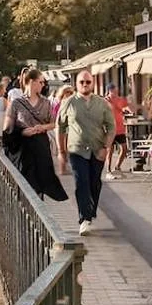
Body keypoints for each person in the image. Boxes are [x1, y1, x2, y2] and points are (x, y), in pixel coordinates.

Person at [57, 70, 115, 236]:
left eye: (88, 82)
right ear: (76, 84)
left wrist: (106, 147)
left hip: (98, 149)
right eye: (81, 82)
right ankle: (84, 218)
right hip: (77, 149)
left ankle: (90, 211)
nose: (84, 85)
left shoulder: (102, 103)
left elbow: (111, 127)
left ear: (93, 83)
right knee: (81, 182)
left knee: (94, 183)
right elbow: (60, 127)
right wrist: (61, 151)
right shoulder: (68, 103)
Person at [5, 68, 68, 203]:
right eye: (41, 82)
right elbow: (8, 128)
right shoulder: (16, 103)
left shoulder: (46, 102)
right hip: (24, 147)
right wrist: (23, 132)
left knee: (41, 180)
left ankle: (38, 206)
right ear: (31, 82)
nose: (43, 85)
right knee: (26, 180)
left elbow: (53, 123)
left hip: (41, 146)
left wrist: (42, 128)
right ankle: (24, 207)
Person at [104, 84, 132, 178]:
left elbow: (127, 107)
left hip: (120, 128)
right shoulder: (105, 101)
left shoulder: (120, 99)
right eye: (113, 91)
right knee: (110, 150)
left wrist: (129, 110)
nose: (115, 93)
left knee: (124, 148)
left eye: (116, 91)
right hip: (110, 129)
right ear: (109, 91)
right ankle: (108, 171)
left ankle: (117, 167)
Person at [51, 84, 76, 175]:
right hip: (59, 127)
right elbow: (53, 117)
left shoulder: (74, 104)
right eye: (67, 92)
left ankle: (67, 167)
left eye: (71, 92)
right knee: (61, 149)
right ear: (62, 93)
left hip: (70, 128)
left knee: (69, 149)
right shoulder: (58, 104)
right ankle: (62, 169)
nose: (69, 94)